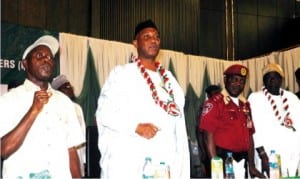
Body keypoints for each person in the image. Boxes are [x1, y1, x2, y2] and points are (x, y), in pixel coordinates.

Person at [95, 19, 190, 178]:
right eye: (147, 37)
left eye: (157, 37)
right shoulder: (122, 74)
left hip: (165, 162)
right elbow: (104, 112)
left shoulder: (169, 78)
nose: (153, 40)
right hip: (132, 162)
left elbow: (178, 123)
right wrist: (136, 127)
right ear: (135, 43)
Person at [0, 35, 85, 178]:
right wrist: (33, 110)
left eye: (50, 57)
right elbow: (4, 150)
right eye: (39, 55)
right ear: (25, 63)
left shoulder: (64, 102)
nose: (47, 60)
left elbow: (71, 151)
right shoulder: (9, 100)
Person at [198, 64, 265, 178]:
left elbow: (249, 136)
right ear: (225, 80)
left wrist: (252, 165)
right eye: (234, 80)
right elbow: (207, 136)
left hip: (242, 160)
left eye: (242, 81)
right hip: (223, 159)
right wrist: (218, 169)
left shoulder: (245, 105)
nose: (238, 84)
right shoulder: (215, 103)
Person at [248, 63, 300, 177]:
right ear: (263, 80)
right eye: (268, 77)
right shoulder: (255, 98)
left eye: (275, 76)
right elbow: (252, 130)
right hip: (266, 155)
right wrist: (263, 155)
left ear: (281, 79)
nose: (271, 80)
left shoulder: (293, 98)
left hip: (291, 155)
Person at [51, 74, 86, 177]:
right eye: (66, 87)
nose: (70, 88)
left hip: (78, 155)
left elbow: (82, 133)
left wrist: (84, 159)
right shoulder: (54, 108)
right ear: (58, 91)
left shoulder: (78, 108)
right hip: (62, 157)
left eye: (70, 85)